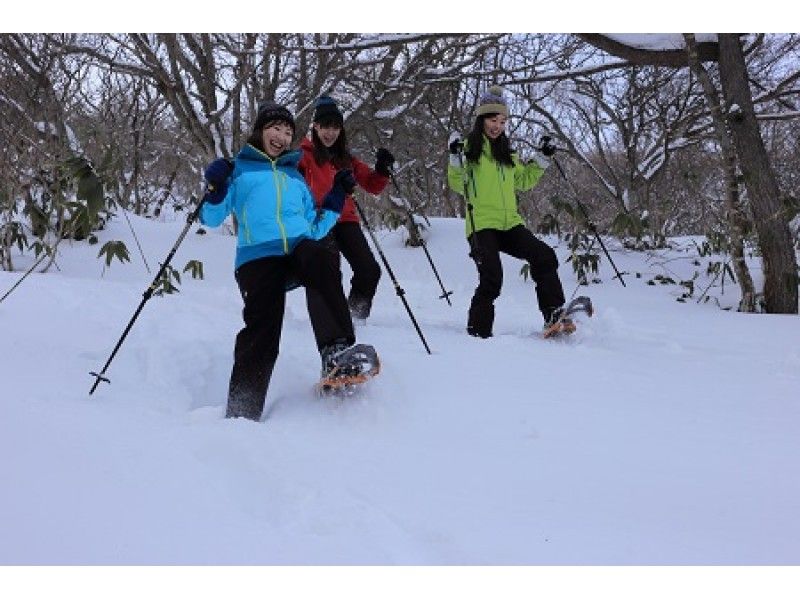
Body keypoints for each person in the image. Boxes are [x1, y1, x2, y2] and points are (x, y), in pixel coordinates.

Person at [201, 100, 363, 421]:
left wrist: (334, 199)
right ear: (261, 132)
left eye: (288, 131)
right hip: (258, 258)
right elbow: (211, 216)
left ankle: (337, 352)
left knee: (321, 258)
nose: (282, 136)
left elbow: (315, 228)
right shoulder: (240, 170)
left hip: (299, 250)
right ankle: (243, 408)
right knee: (263, 327)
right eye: (276, 128)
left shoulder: (295, 177)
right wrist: (217, 187)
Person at [446, 85, 569, 339]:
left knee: (544, 256)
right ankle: (478, 333)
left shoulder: (507, 153)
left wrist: (542, 158)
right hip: (481, 224)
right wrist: (454, 157)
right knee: (492, 278)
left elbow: (523, 181)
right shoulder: (468, 149)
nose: (497, 126)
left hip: (509, 223)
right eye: (493, 119)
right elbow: (458, 184)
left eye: (502, 121)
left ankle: (554, 314)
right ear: (482, 119)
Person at [297, 95, 395, 322]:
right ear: (315, 127)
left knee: (369, 270)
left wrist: (382, 169)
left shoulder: (346, 159)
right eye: (325, 127)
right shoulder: (304, 156)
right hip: (319, 220)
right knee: (330, 273)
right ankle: (333, 320)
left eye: (335, 127)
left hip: (346, 220)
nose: (330, 133)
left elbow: (372, 185)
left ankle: (355, 315)